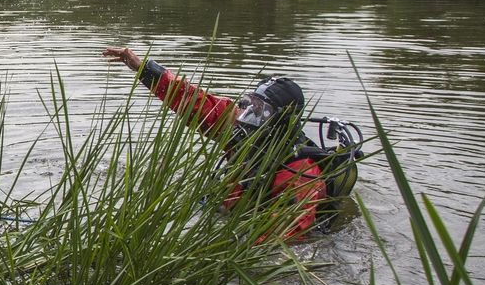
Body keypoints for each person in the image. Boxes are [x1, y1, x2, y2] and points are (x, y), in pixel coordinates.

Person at [102, 46, 331, 241]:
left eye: (262, 112)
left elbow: (284, 236)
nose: (248, 115)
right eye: (251, 105)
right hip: (237, 207)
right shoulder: (244, 128)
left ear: (282, 120)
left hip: (252, 223)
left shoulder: (300, 173)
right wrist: (144, 69)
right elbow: (192, 100)